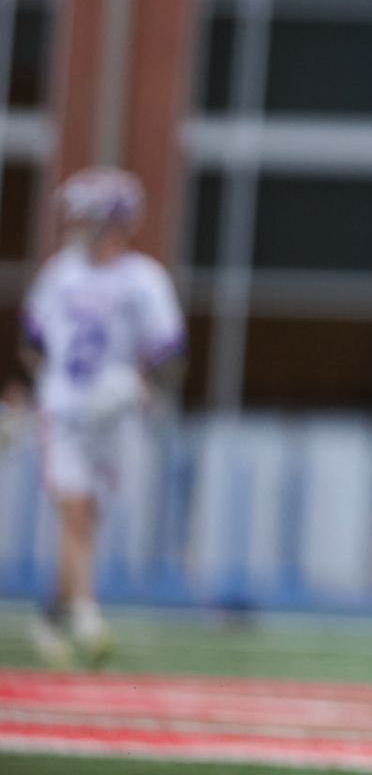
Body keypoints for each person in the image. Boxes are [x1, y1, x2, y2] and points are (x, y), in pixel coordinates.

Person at [21, 167, 184, 666]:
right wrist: (35, 393)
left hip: (113, 420)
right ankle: (88, 620)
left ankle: (52, 614)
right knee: (72, 510)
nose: (77, 225)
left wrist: (140, 387)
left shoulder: (144, 279)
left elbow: (170, 351)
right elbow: (32, 345)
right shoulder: (61, 272)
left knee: (88, 518)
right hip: (65, 410)